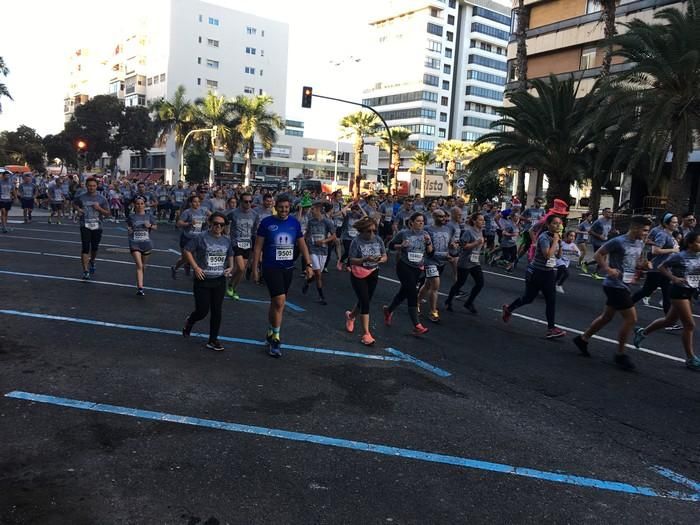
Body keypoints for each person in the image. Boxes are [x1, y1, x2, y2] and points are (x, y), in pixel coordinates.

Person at [572, 215, 652, 370]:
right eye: (644, 230)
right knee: (631, 319)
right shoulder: (618, 241)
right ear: (635, 227)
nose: (645, 233)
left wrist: (644, 265)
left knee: (607, 317)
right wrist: (608, 269)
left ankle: (583, 339)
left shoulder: (639, 242)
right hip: (614, 285)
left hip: (625, 284)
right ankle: (620, 355)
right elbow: (598, 255)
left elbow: (635, 263)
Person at [251, 194, 314, 358]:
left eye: (286, 207)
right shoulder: (267, 223)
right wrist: (255, 268)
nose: (284, 210)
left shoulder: (294, 223)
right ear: (276, 207)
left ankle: (271, 330)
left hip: (288, 268)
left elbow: (302, 245)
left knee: (276, 303)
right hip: (271, 267)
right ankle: (276, 339)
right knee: (280, 301)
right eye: (281, 207)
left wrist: (308, 265)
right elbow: (258, 247)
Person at [633, 231, 700, 370]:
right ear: (690, 243)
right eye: (698, 242)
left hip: (689, 292)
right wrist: (673, 278)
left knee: (669, 321)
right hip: (678, 292)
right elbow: (661, 267)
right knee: (689, 325)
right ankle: (690, 358)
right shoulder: (680, 256)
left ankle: (642, 332)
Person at [502, 214, 567, 338]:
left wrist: (560, 243)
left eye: (559, 223)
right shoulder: (544, 237)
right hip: (536, 272)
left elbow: (557, 256)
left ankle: (551, 328)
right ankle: (509, 309)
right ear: (548, 225)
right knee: (528, 298)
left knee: (551, 300)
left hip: (548, 272)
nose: (557, 225)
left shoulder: (556, 237)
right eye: (554, 223)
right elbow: (547, 255)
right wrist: (555, 241)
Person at [182, 212, 235, 352]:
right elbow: (187, 250)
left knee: (217, 311)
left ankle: (213, 340)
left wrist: (231, 267)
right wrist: (195, 267)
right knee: (202, 311)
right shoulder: (201, 237)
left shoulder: (226, 240)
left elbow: (230, 254)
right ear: (210, 223)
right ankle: (190, 321)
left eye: (221, 224)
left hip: (219, 280)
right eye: (216, 223)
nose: (218, 226)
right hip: (202, 279)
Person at [383, 212, 434, 336]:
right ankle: (417, 325)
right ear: (411, 222)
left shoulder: (425, 235)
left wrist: (428, 243)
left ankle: (389, 310)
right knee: (412, 292)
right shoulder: (404, 233)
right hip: (404, 266)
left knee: (404, 292)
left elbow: (431, 253)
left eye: (422, 221)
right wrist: (401, 245)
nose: (421, 223)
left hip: (418, 268)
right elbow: (390, 246)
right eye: (418, 221)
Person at [345, 217, 388, 345]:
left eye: (374, 231)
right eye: (369, 231)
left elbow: (385, 255)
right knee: (365, 302)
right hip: (359, 273)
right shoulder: (356, 241)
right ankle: (366, 334)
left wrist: (381, 260)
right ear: (362, 231)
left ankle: (351, 316)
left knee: (366, 299)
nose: (372, 234)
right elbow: (351, 260)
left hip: (374, 272)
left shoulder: (378, 239)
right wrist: (364, 259)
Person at [631, 213, 678, 321]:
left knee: (665, 294)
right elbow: (655, 250)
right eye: (674, 222)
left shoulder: (671, 235)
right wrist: (673, 250)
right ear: (666, 224)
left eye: (677, 222)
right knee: (647, 291)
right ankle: (626, 305)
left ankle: (669, 321)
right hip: (657, 269)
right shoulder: (662, 234)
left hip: (665, 269)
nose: (676, 224)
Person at [419, 209, 457, 322]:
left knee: (427, 285)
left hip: (442, 261)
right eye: (440, 217)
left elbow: (449, 243)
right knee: (435, 286)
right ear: (434, 217)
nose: (443, 219)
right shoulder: (427, 229)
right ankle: (433, 311)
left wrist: (452, 247)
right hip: (430, 261)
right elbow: (426, 247)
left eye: (444, 216)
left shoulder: (449, 229)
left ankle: (416, 302)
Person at [446, 212, 485, 314]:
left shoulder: (480, 231)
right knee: (460, 283)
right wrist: (477, 243)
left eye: (483, 220)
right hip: (465, 261)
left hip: (475, 261)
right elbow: (464, 246)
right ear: (474, 221)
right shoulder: (469, 232)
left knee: (480, 283)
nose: (483, 222)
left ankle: (469, 303)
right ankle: (448, 301)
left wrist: (481, 246)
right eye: (480, 220)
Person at [73, 178, 111, 280]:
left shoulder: (102, 199)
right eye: (90, 186)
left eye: (94, 186)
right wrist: (78, 209)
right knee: (85, 247)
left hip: (97, 226)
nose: (91, 188)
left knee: (94, 248)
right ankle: (85, 271)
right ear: (86, 186)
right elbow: (75, 203)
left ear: (96, 186)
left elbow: (108, 214)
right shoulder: (81, 197)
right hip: (84, 225)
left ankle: (92, 261)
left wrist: (99, 209)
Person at [303, 201, 336, 304]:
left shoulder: (327, 222)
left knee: (318, 275)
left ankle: (308, 282)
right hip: (312, 249)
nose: (311, 211)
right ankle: (321, 296)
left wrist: (324, 241)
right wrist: (303, 243)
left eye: (312, 209)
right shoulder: (310, 221)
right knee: (317, 273)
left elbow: (334, 236)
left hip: (323, 250)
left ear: (318, 210)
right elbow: (307, 233)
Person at [225, 192, 257, 300]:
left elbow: (254, 230)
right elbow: (223, 220)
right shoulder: (234, 213)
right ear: (241, 202)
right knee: (241, 267)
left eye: (250, 201)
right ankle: (230, 286)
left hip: (247, 244)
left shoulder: (254, 214)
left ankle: (232, 287)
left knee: (241, 270)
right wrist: (224, 232)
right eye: (246, 201)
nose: (248, 203)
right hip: (236, 242)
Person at [172, 195, 210, 278]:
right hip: (187, 238)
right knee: (185, 258)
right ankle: (175, 268)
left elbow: (212, 216)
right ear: (190, 203)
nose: (197, 203)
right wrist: (189, 223)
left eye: (198, 202)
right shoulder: (187, 212)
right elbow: (179, 223)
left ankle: (198, 273)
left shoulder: (203, 210)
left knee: (199, 256)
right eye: (195, 201)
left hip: (198, 238)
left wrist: (208, 221)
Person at [126, 196, 156, 296]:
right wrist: (129, 230)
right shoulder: (131, 216)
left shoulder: (149, 216)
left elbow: (155, 227)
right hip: (135, 243)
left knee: (143, 266)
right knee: (139, 265)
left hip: (146, 243)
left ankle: (140, 278)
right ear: (134, 205)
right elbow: (129, 227)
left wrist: (150, 226)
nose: (139, 205)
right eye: (137, 204)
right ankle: (140, 288)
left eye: (142, 203)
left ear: (145, 204)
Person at [583, 208, 614, 279]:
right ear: (604, 213)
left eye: (611, 212)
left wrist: (614, 231)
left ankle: (586, 264)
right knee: (601, 258)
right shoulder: (598, 221)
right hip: (597, 242)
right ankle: (594, 272)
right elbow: (590, 231)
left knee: (602, 259)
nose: (610, 213)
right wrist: (599, 236)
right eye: (608, 212)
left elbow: (608, 230)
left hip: (604, 241)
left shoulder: (610, 221)